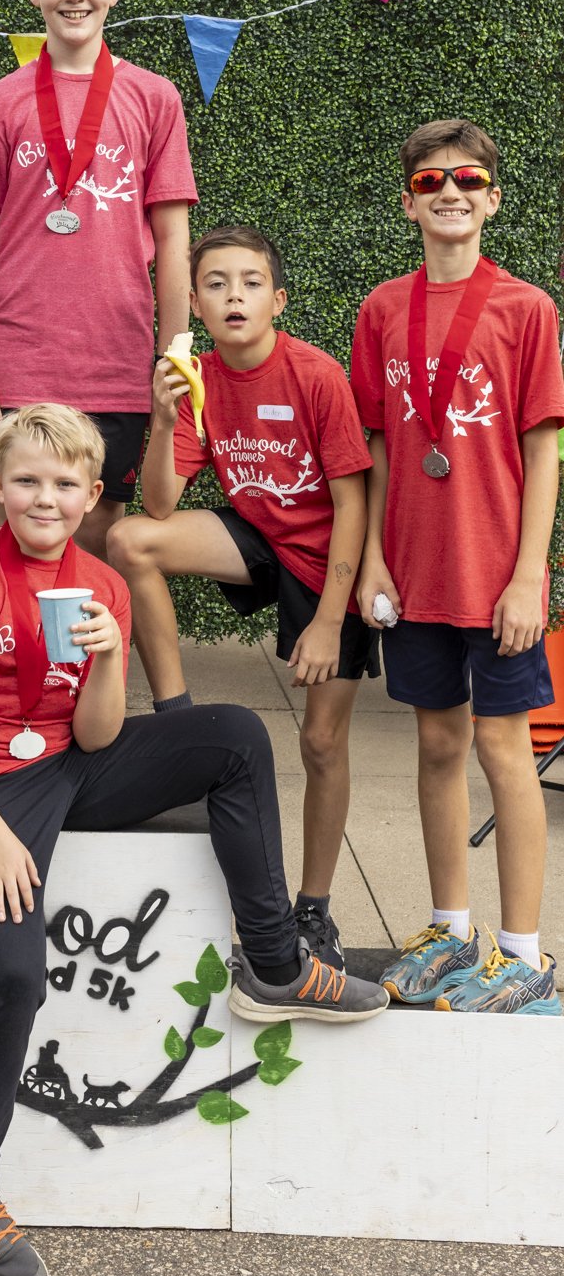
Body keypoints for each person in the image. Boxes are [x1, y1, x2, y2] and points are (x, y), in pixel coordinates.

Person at [0, 402, 388, 1276]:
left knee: (234, 736)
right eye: (27, 481)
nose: (45, 498)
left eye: (64, 484)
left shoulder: (100, 583)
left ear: (91, 497)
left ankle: (275, 963)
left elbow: (97, 734)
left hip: (65, 761)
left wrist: (110, 658)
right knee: (13, 972)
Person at [108, 226, 380, 970]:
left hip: (326, 563)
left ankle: (314, 909)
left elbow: (354, 503)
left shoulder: (314, 375)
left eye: (251, 283)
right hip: (260, 538)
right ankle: (177, 716)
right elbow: (159, 507)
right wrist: (164, 420)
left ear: (277, 300)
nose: (234, 296)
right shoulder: (194, 377)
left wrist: (330, 622)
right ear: (195, 304)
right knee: (130, 540)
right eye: (217, 284)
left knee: (321, 742)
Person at [350, 119, 564, 1014]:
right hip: (414, 573)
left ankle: (523, 953)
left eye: (468, 180)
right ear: (409, 203)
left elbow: (544, 449)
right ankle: (451, 928)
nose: (450, 193)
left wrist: (528, 577)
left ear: (493, 199)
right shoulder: (381, 309)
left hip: (495, 571)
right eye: (430, 181)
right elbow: (375, 446)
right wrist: (373, 561)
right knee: (437, 745)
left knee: (503, 748)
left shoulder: (526, 308)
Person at [0, 0, 198, 559]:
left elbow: (174, 240)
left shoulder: (155, 98)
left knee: (96, 534)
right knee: (21, 532)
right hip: (18, 360)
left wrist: (174, 357)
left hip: (116, 360)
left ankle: (82, 639)